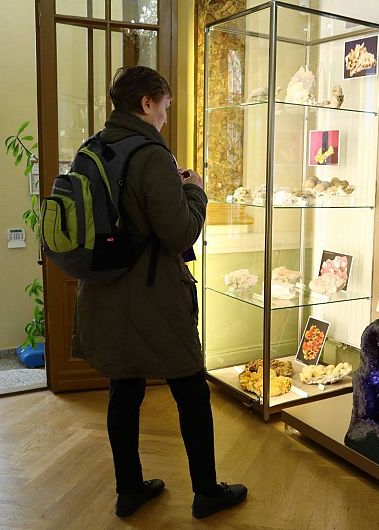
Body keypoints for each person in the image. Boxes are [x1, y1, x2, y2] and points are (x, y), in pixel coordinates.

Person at [71, 65, 247, 519]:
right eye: (165, 106)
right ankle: (207, 492)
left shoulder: (92, 148)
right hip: (153, 296)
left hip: (104, 291)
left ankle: (129, 489)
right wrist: (196, 191)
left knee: (124, 391)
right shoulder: (151, 154)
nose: (166, 116)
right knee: (191, 391)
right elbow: (179, 232)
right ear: (147, 103)